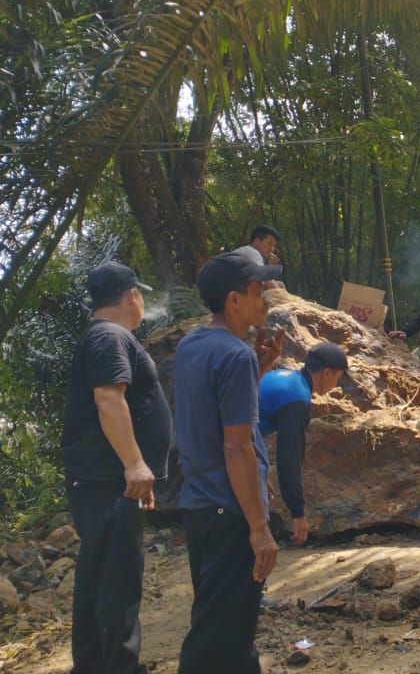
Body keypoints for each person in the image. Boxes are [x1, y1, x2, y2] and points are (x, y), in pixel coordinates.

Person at [174, 251, 285, 674]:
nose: (265, 300)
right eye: (258, 291)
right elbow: (235, 447)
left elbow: (214, 415)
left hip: (200, 505)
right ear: (234, 300)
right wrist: (259, 528)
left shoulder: (195, 345)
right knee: (215, 638)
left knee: (231, 631)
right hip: (229, 510)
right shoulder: (234, 355)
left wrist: (259, 368)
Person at [61, 261, 170, 674]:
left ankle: (91, 666)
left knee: (98, 577)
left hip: (104, 481)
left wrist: (137, 468)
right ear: (132, 296)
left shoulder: (104, 337)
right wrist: (134, 463)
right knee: (118, 583)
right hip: (108, 480)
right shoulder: (110, 337)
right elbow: (109, 399)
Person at [257, 342, 353, 545]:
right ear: (327, 373)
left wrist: (257, 470)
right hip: (222, 449)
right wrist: (297, 513)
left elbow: (250, 426)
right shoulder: (296, 398)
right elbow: (289, 458)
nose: (336, 385)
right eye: (338, 378)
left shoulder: (287, 378)